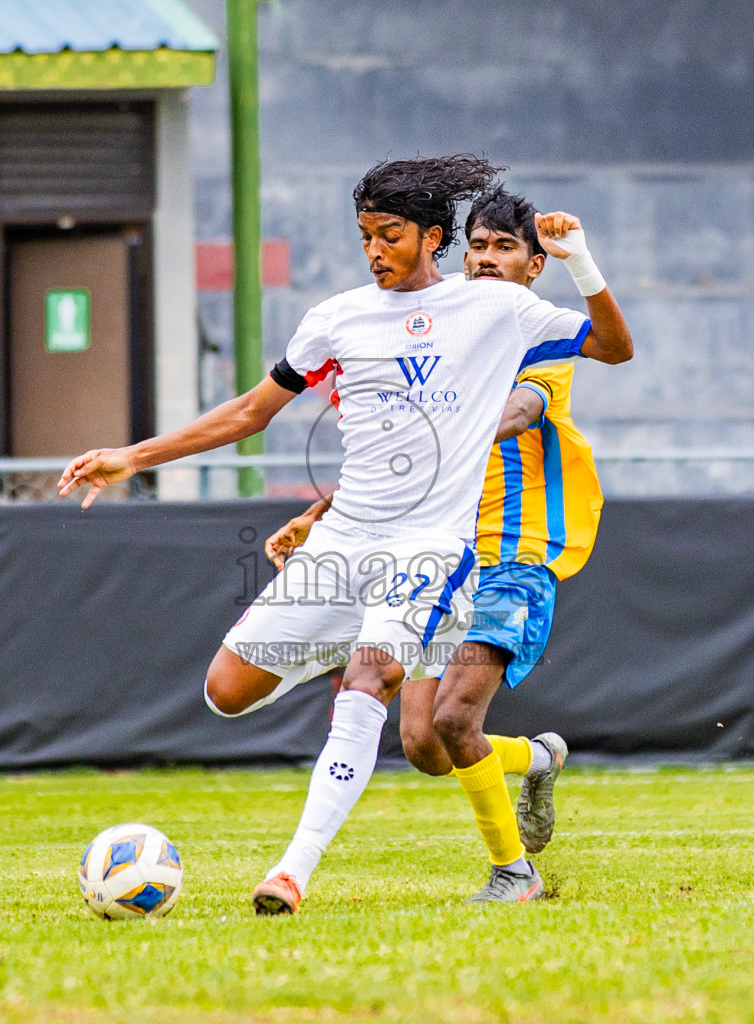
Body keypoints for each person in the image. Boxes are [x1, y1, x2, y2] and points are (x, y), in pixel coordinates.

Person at [58, 155, 633, 915]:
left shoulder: (495, 309)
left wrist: (581, 263)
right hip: (344, 548)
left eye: (388, 234)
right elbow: (247, 415)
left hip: (434, 549)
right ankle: (369, 653)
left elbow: (613, 347)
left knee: (378, 688)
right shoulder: (336, 318)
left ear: (431, 237)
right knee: (227, 694)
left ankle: (291, 874)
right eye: (364, 235)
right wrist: (133, 455)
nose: (373, 250)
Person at [263, 186, 610, 902]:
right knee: (423, 744)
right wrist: (321, 516)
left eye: (505, 247)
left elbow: (519, 409)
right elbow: (400, 455)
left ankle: (515, 875)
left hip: (511, 553)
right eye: (477, 245)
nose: (486, 259)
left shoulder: (536, 336)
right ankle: (538, 757)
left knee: (455, 717)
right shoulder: (444, 331)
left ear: (534, 266)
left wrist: (466, 413)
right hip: (427, 554)